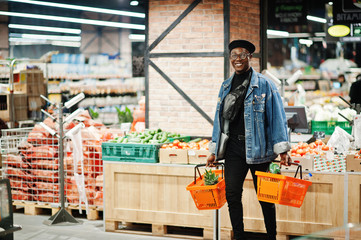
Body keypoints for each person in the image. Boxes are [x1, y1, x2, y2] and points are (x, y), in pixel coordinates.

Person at [206, 40, 292, 240]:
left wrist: (283, 150)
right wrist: (214, 149)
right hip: (233, 149)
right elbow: (219, 119)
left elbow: (277, 117)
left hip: (260, 149)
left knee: (265, 197)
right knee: (232, 195)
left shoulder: (264, 85)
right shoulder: (226, 85)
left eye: (242, 55)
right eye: (234, 55)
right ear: (230, 59)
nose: (238, 59)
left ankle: (272, 236)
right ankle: (239, 236)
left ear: (250, 58)